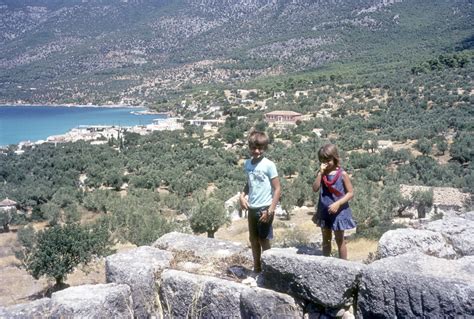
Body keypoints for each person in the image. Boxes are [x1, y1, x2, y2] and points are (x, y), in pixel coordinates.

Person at [240, 131, 281, 273]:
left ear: (265, 148)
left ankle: (268, 270)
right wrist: (242, 196)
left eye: (260, 148)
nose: (256, 151)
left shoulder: (269, 165)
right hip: (252, 207)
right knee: (253, 239)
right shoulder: (248, 164)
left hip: (265, 208)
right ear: (249, 147)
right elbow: (249, 183)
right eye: (253, 148)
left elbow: (277, 189)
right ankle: (257, 267)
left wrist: (270, 210)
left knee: (264, 240)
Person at [312, 143, 356, 259]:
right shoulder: (322, 174)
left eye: (328, 159)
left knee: (339, 239)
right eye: (322, 160)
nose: (325, 162)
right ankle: (326, 262)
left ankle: (343, 265)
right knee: (326, 238)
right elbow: (315, 188)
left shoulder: (342, 174)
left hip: (339, 212)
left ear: (335, 158)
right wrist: (320, 174)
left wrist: (338, 203)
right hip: (324, 211)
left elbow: (350, 193)